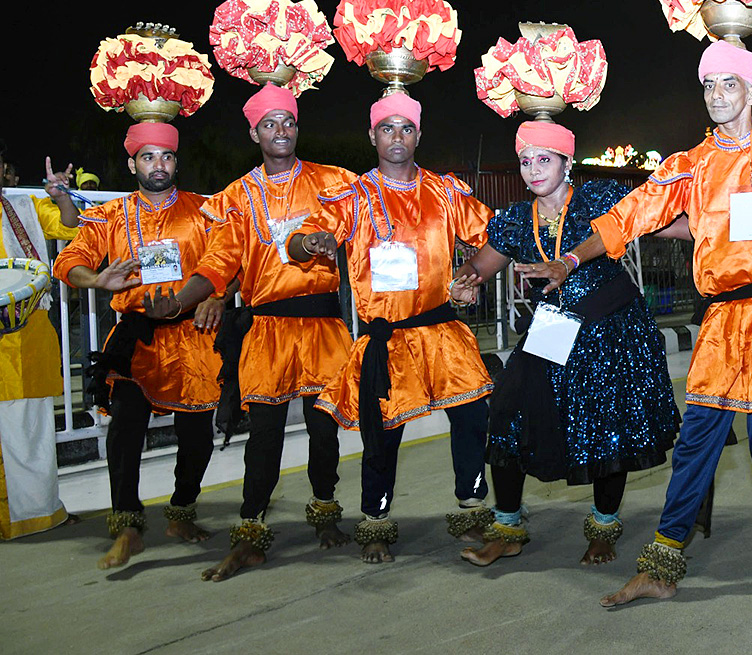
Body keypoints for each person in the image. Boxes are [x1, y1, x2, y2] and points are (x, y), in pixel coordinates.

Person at [518, 41, 752, 605]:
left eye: (728, 83)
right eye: (708, 85)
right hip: (723, 320)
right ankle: (662, 563)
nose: (717, 96)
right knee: (699, 439)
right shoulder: (690, 165)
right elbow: (630, 215)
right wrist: (571, 258)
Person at [142, 84, 356, 580]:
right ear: (253, 131)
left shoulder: (332, 181)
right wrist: (179, 299)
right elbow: (219, 263)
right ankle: (251, 533)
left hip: (323, 326)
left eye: (288, 122)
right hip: (267, 330)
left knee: (324, 432)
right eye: (269, 124)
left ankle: (325, 513)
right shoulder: (236, 197)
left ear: (297, 128)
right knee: (264, 437)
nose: (280, 131)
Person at [448, 120, 680, 568]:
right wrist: (461, 287)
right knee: (508, 409)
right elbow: (478, 268)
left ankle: (603, 528)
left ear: (567, 162)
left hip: (611, 327)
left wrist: (722, 231)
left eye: (544, 159)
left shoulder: (599, 198)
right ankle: (507, 527)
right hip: (554, 331)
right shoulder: (516, 219)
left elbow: (660, 224)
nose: (533, 170)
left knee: (606, 427)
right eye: (525, 161)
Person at [287, 91, 494, 563]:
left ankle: (473, 508)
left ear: (419, 135)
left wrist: (472, 277)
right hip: (386, 339)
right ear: (372, 136)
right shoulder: (350, 196)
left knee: (471, 415)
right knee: (381, 434)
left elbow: (493, 237)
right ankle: (375, 522)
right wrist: (309, 243)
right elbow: (301, 242)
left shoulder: (445, 191)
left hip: (441, 332)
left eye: (406, 128)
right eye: (387, 128)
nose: (396, 137)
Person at [53, 122, 225, 568]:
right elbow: (70, 259)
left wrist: (218, 297)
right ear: (133, 164)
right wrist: (96, 278)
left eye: (166, 157)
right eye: (148, 157)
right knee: (126, 428)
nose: (159, 165)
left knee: (197, 439)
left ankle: (181, 512)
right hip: (136, 337)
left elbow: (230, 261)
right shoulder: (112, 216)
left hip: (193, 338)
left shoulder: (204, 211)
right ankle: (127, 526)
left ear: (176, 163)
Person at [0, 147, 78, 539]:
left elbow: (68, 226)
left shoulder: (24, 207)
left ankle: (36, 514)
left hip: (25, 343)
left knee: (29, 430)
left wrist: (62, 197)